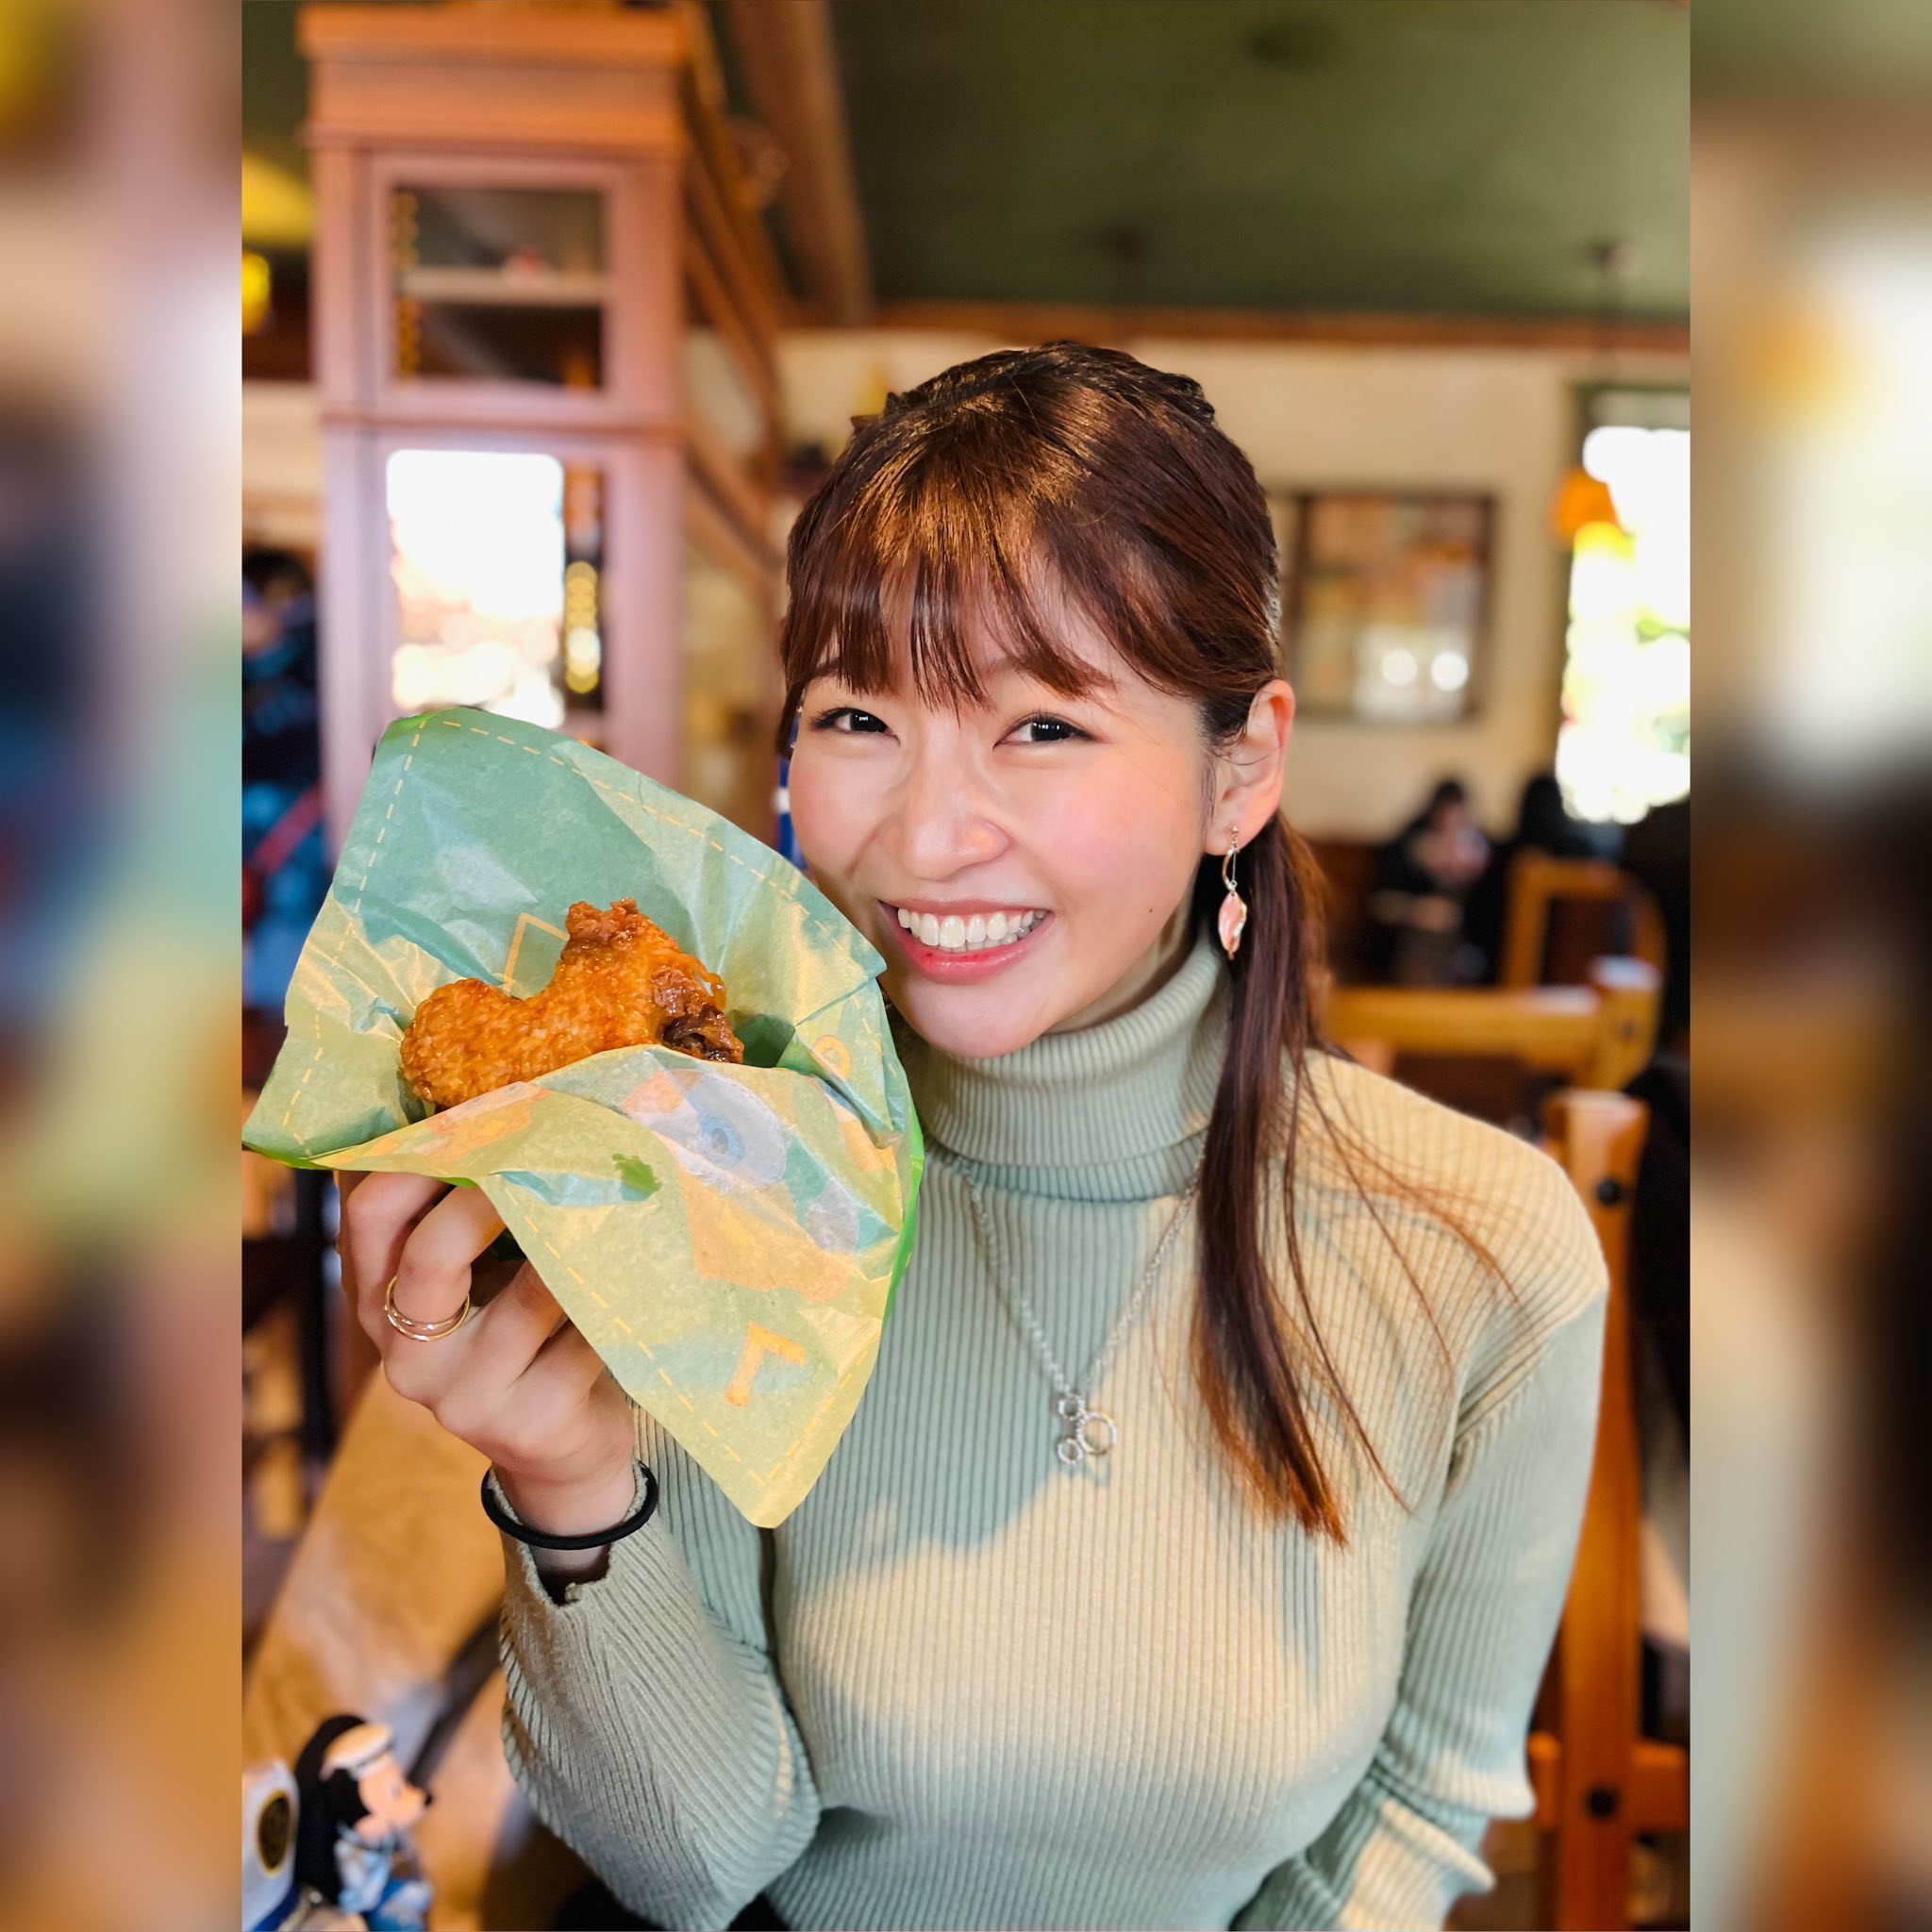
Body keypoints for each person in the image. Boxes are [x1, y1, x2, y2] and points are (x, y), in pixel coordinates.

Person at [337, 343, 1607, 1931]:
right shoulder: (714, 1160)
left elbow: (1410, 1815)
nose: (926, 837)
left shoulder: (1482, 1251)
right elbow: (696, 1867)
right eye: (857, 713)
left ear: (1243, 768)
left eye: (1043, 726)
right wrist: (572, 1484)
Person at [1366, 777, 1491, 984]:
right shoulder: (1407, 849)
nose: (1450, 826)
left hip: (1462, 955)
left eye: (1459, 820)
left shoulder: (1480, 854)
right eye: (1445, 816)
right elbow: (1380, 904)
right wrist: (1419, 911)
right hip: (1411, 950)